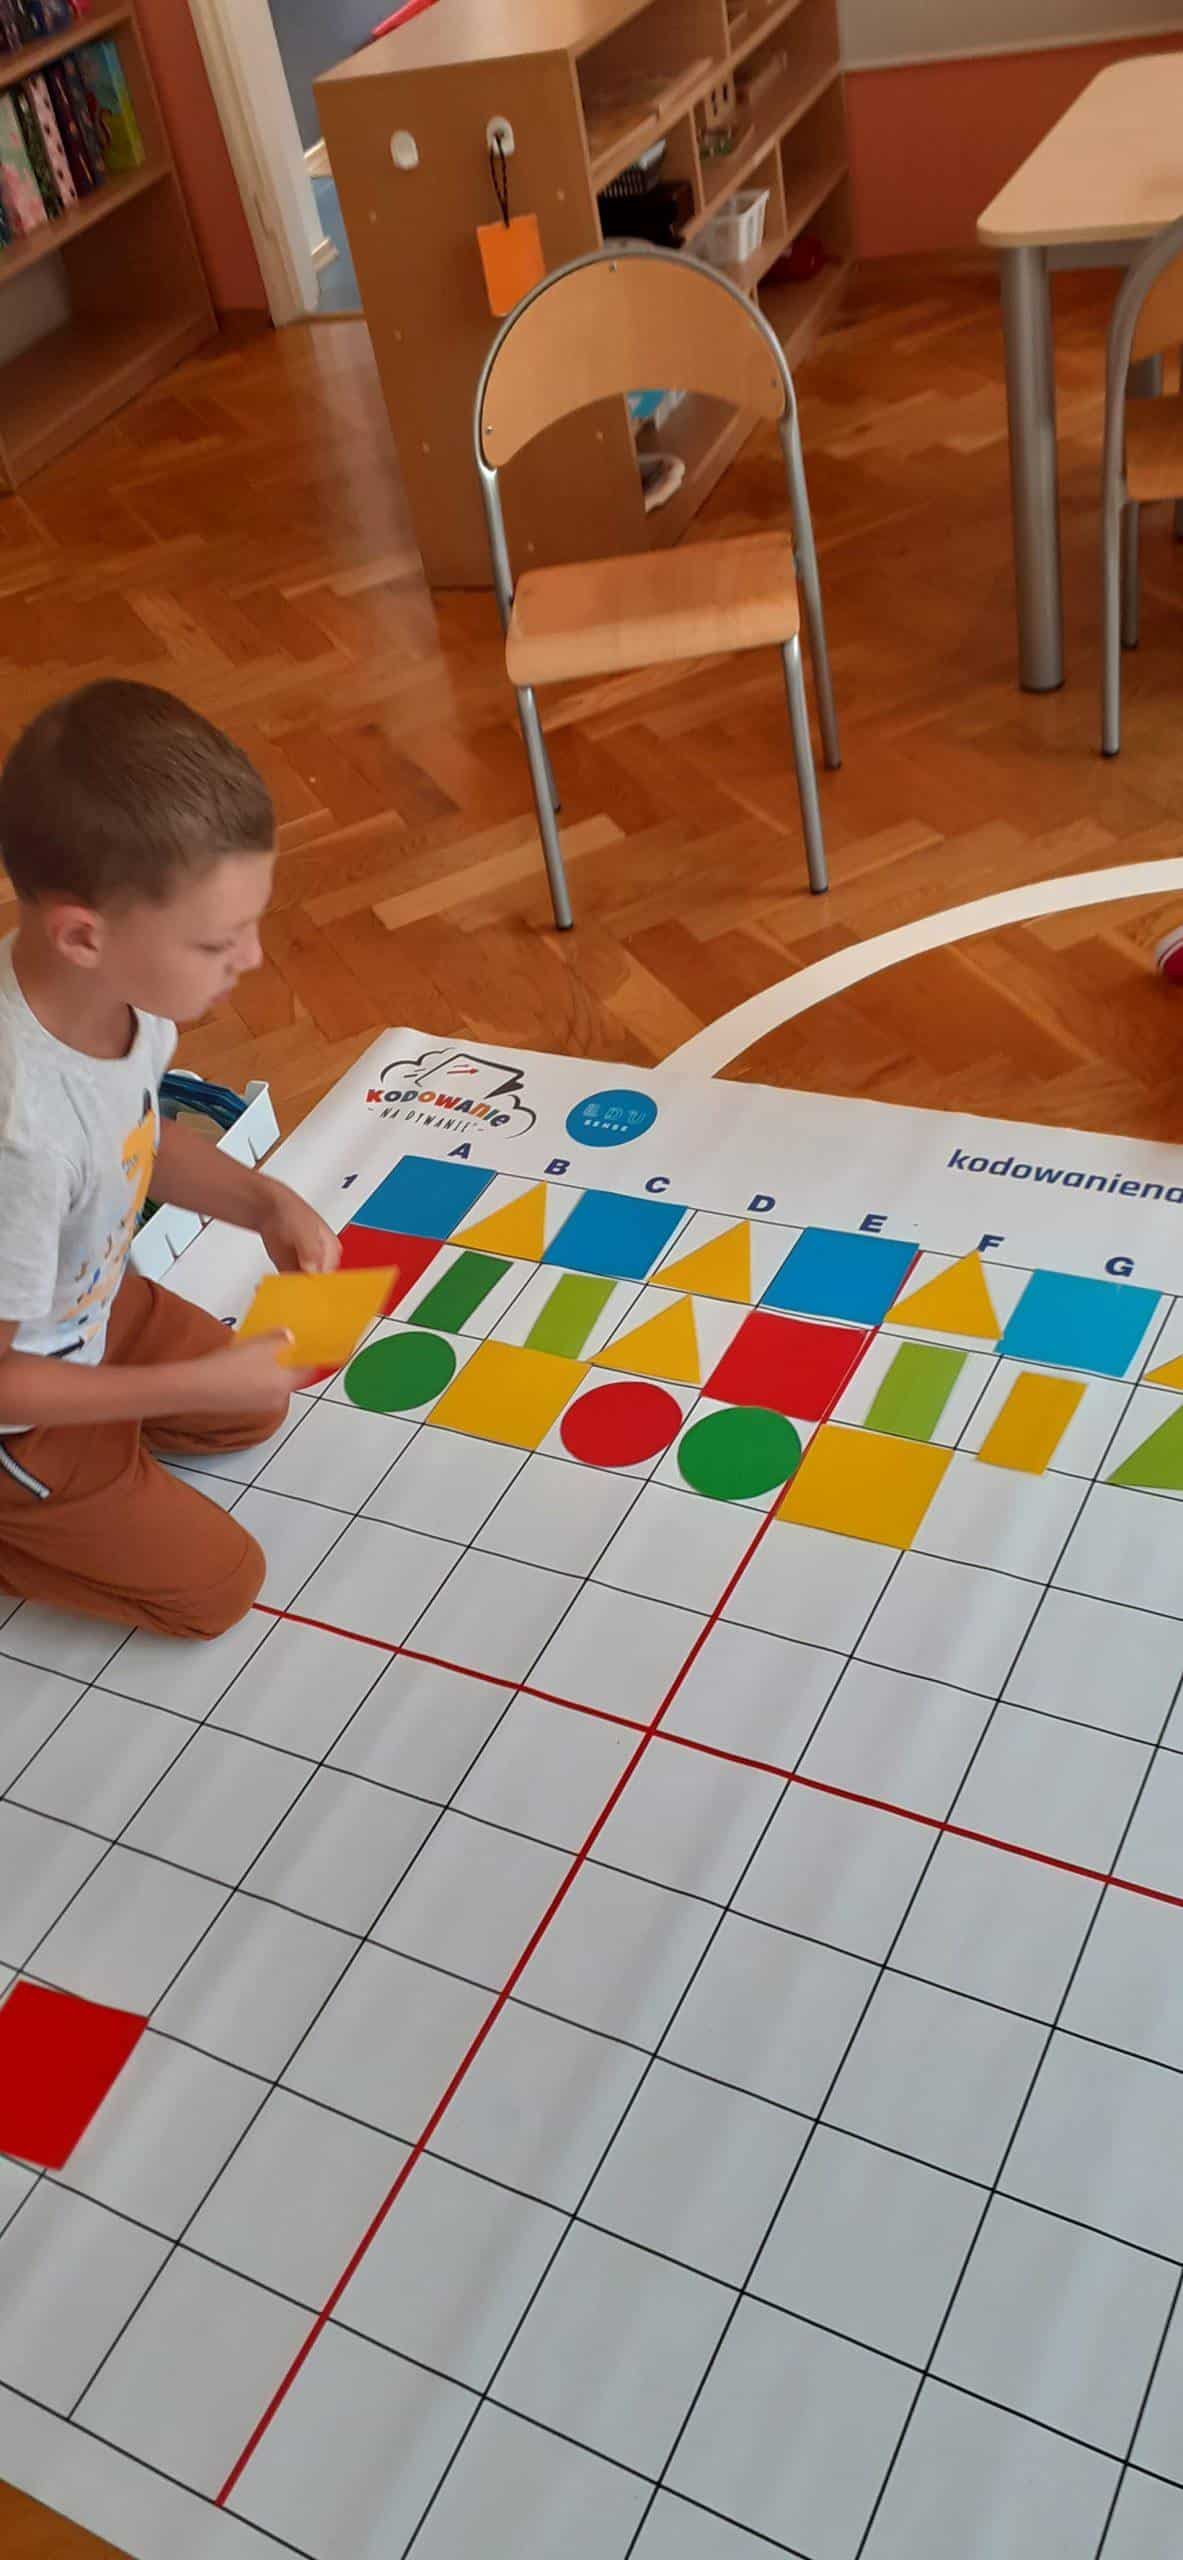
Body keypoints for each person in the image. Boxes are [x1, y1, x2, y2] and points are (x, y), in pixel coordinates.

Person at [0, 680, 339, 1643]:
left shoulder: (121, 1001)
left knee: (251, 1410)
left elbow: (132, 1136)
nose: (254, 959)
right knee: (217, 1588)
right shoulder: (18, 1136)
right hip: (19, 1402)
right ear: (83, 935)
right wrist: (183, 1389)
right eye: (218, 941)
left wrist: (262, 1201)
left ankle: (115, 1441)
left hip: (86, 1304)